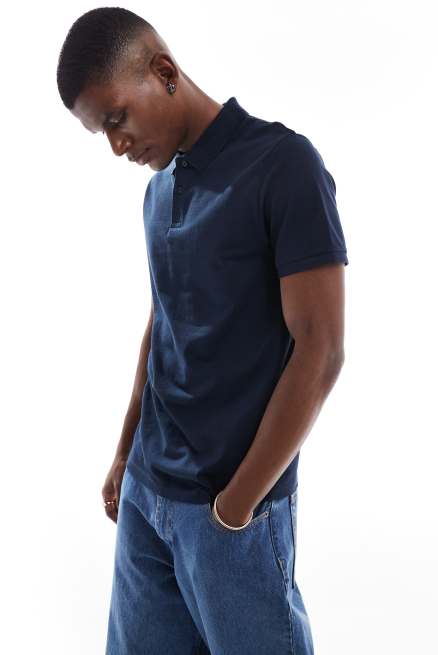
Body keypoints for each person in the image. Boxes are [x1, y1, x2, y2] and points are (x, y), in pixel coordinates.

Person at [57, 7, 348, 655]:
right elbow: (163, 318)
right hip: (145, 498)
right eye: (101, 133)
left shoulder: (283, 165)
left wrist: (236, 507)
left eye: (116, 119)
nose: (116, 146)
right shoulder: (158, 190)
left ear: (163, 71)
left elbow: (322, 348)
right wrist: (125, 451)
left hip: (229, 509)